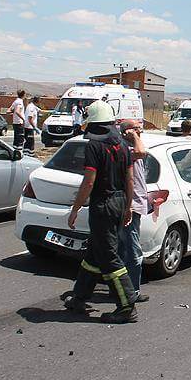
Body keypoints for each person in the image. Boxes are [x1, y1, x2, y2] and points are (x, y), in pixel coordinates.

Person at [62, 100, 138, 323]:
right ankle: (79, 297)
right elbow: (129, 178)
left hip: (103, 205)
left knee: (109, 257)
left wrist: (75, 209)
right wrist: (128, 206)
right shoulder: (122, 145)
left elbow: (89, 181)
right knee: (95, 253)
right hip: (118, 202)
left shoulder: (94, 147)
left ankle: (127, 306)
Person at [119, 119, 150, 303]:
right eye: (137, 130)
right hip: (129, 205)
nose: (140, 134)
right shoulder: (127, 149)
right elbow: (141, 151)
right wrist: (133, 136)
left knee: (125, 249)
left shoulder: (131, 147)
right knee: (133, 252)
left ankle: (126, 289)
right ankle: (132, 292)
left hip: (135, 204)